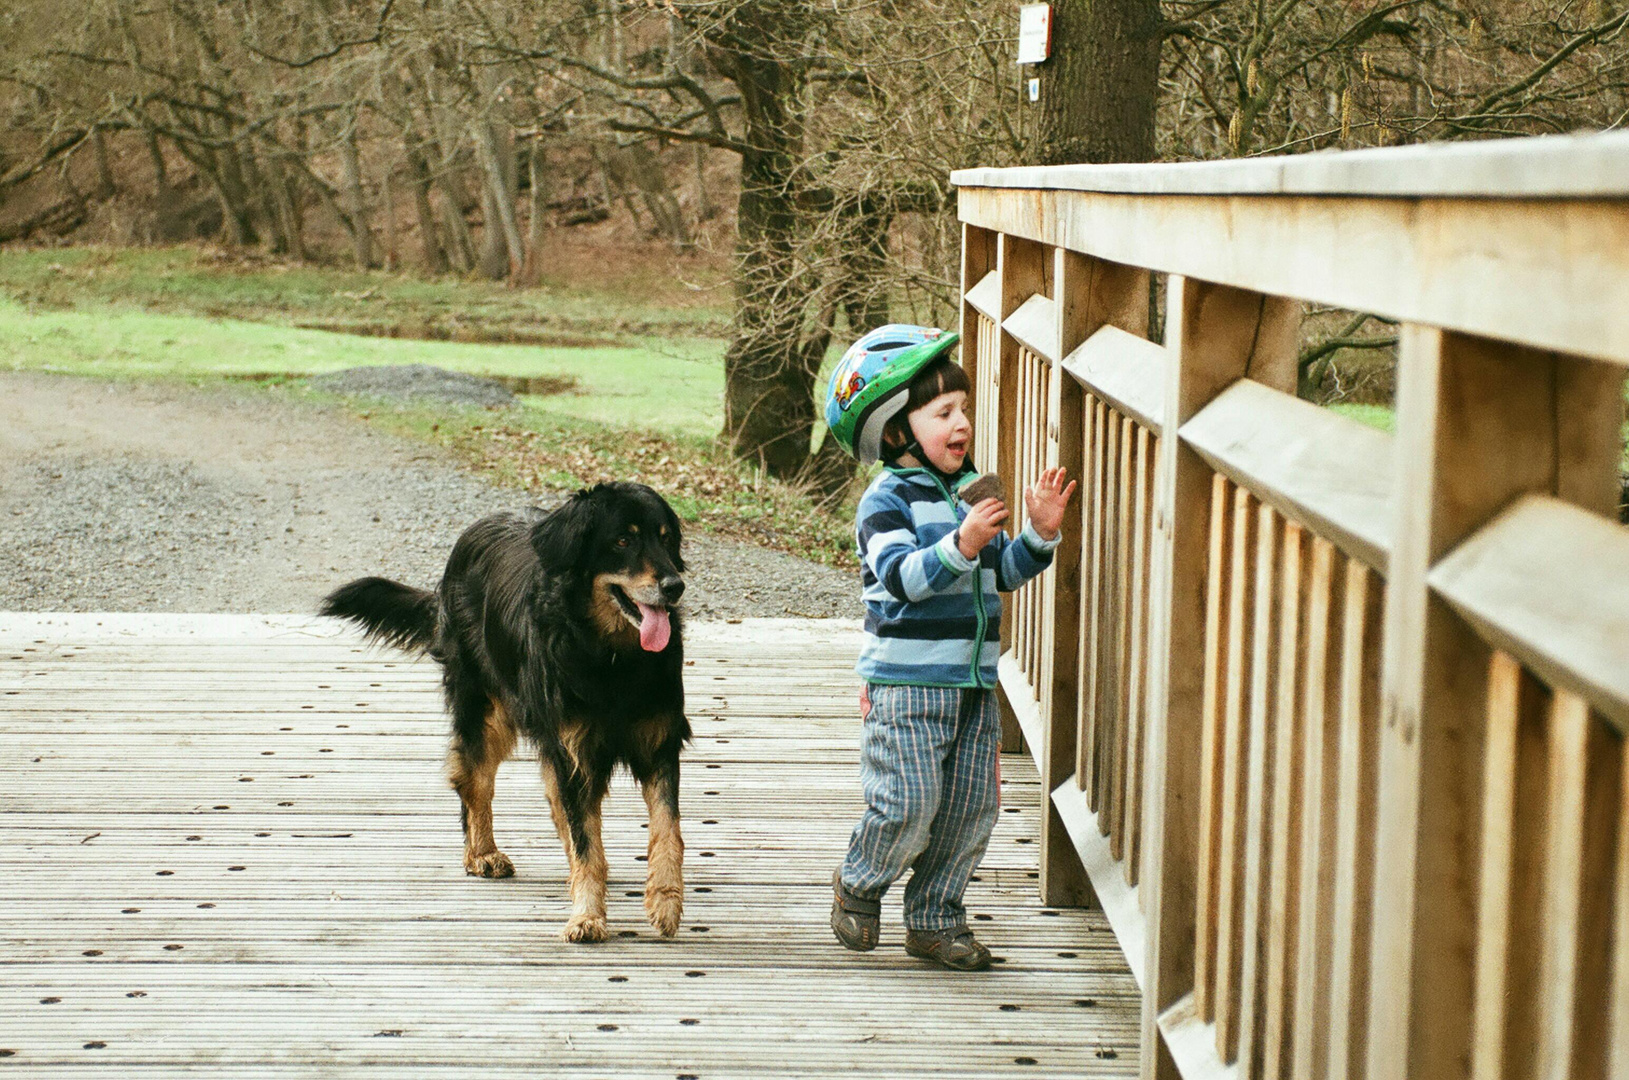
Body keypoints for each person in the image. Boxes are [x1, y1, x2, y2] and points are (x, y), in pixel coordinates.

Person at [821, 323, 1075, 971]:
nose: (961, 423)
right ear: (896, 430)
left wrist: (1038, 537)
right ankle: (860, 880)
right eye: (943, 413)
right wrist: (960, 543)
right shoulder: (883, 502)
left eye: (963, 409)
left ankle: (934, 919)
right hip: (906, 686)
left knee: (969, 811)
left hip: (971, 688)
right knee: (907, 804)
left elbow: (1001, 572)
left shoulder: (967, 494)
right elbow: (905, 580)